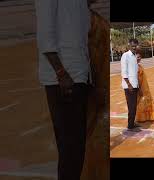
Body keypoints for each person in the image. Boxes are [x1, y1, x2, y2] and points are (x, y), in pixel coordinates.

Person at [35, 0, 91, 179]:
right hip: (63, 79)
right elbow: (45, 34)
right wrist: (60, 72)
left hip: (79, 75)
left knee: (76, 147)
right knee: (70, 150)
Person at [81, 1, 109, 179]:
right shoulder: (86, 20)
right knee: (90, 135)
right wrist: (96, 86)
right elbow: (86, 54)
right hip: (92, 87)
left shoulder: (92, 18)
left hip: (98, 84)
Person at [121, 38, 141, 132]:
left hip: (135, 85)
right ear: (129, 45)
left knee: (134, 105)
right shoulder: (126, 55)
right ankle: (130, 125)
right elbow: (124, 72)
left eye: (135, 45)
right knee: (131, 106)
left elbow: (135, 71)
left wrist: (137, 85)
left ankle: (132, 123)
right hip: (129, 86)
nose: (134, 47)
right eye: (132, 45)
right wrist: (129, 85)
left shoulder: (134, 56)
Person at [135, 51, 154, 122]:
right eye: (137, 57)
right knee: (141, 102)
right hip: (140, 87)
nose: (139, 58)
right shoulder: (135, 67)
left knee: (146, 101)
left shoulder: (140, 66)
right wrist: (139, 89)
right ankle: (141, 118)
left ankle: (148, 116)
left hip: (145, 87)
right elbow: (137, 79)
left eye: (140, 57)